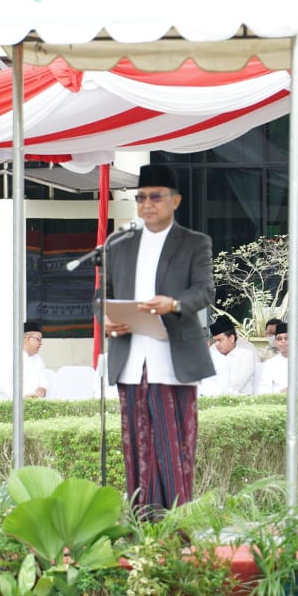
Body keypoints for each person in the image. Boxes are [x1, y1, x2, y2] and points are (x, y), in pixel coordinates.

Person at [103, 163, 215, 516]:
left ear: (175, 200)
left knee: (173, 447)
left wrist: (175, 303)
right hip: (130, 359)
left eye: (155, 196)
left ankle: (177, 526)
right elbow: (101, 294)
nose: (146, 204)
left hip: (173, 358)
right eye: (140, 197)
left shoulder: (195, 242)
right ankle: (143, 522)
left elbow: (204, 291)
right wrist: (107, 320)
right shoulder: (118, 243)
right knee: (136, 448)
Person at [258, 322, 298, 394]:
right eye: (279, 338)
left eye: (286, 338)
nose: (283, 341)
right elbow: (264, 387)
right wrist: (279, 393)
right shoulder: (270, 363)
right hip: (279, 400)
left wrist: (293, 387)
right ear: (275, 341)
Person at [201, 316, 256, 397]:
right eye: (215, 341)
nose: (216, 344)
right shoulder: (214, 353)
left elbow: (235, 384)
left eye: (220, 340)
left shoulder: (246, 355)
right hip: (212, 398)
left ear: (231, 338)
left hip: (241, 399)